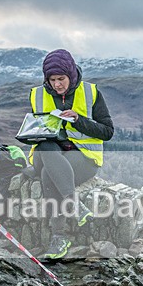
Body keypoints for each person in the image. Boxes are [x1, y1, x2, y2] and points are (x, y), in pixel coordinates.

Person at [28, 49, 114, 260]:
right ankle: (73, 202)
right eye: (52, 79)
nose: (57, 84)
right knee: (47, 147)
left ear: (71, 75)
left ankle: (59, 237)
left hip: (82, 157)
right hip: (46, 153)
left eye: (61, 79)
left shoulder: (91, 93)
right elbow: (36, 129)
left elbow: (107, 131)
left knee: (49, 175)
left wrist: (78, 120)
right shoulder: (37, 94)